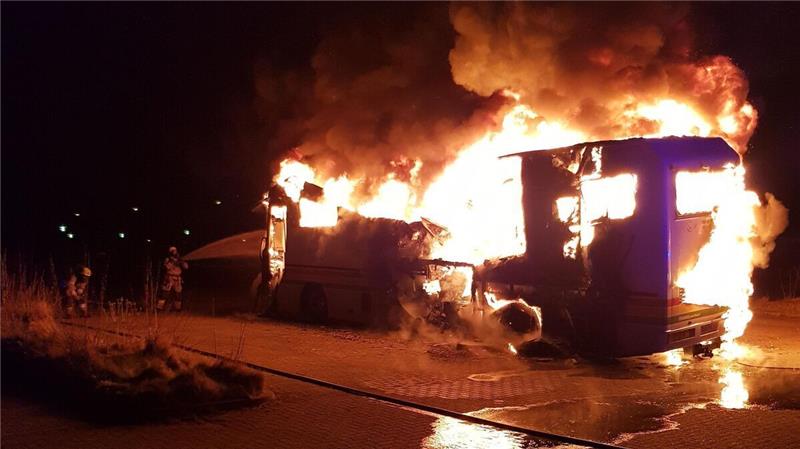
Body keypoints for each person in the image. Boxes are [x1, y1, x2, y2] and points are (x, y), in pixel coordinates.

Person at [158, 246, 188, 312]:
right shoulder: (167, 259)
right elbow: (167, 267)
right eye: (173, 251)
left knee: (178, 294)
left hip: (178, 279)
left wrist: (181, 262)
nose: (175, 252)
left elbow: (186, 267)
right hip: (169, 278)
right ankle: (159, 308)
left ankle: (178, 309)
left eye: (175, 250)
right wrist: (173, 262)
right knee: (164, 294)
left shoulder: (180, 259)